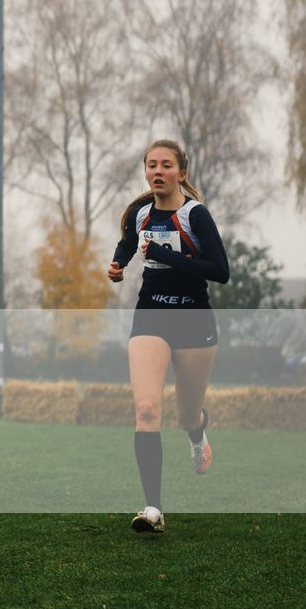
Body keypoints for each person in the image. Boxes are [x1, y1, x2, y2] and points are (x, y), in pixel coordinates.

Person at [108, 139, 230, 535]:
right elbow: (129, 243)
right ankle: (153, 509)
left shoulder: (196, 215)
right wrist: (118, 265)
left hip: (194, 321)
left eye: (166, 165)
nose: (157, 171)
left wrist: (170, 255)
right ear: (146, 172)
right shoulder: (142, 214)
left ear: (182, 172)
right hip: (152, 316)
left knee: (186, 415)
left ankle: (198, 432)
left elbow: (220, 270)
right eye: (151, 165)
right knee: (146, 409)